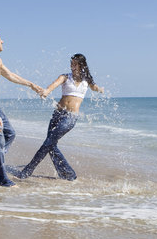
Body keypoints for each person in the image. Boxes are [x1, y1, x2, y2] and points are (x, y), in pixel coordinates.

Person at [18, 53, 104, 181]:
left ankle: (27, 170)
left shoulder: (87, 81)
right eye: (71, 64)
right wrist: (46, 92)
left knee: (48, 143)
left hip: (70, 117)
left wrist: (100, 89)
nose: (72, 66)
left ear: (81, 65)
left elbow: (95, 88)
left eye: (75, 64)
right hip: (57, 114)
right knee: (51, 145)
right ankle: (67, 174)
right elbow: (52, 86)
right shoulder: (65, 77)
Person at [0, 29, 43, 187]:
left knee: (10, 134)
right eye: (0, 40)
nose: (3, 41)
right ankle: (1, 178)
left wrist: (31, 84)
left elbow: (10, 75)